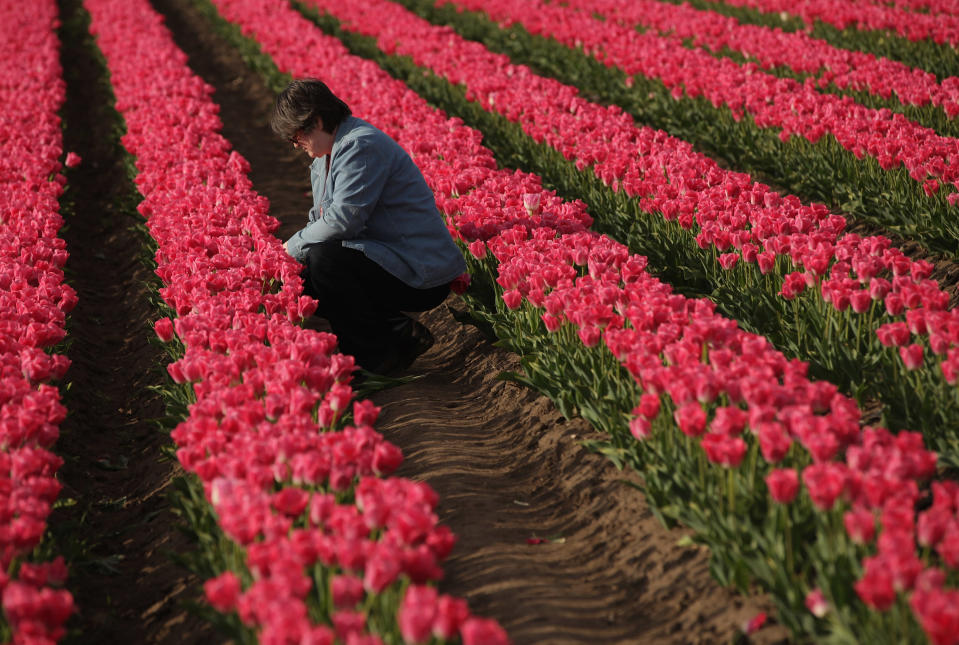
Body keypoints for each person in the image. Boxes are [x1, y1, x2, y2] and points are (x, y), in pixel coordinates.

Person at [271, 78, 467, 375]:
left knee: (324, 262)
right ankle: (394, 331)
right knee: (302, 277)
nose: (295, 145)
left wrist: (290, 247)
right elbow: (321, 220)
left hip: (418, 268)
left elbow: (342, 221)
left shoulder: (358, 146)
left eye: (296, 136)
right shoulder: (327, 156)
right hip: (386, 259)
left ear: (318, 120)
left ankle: (374, 357)